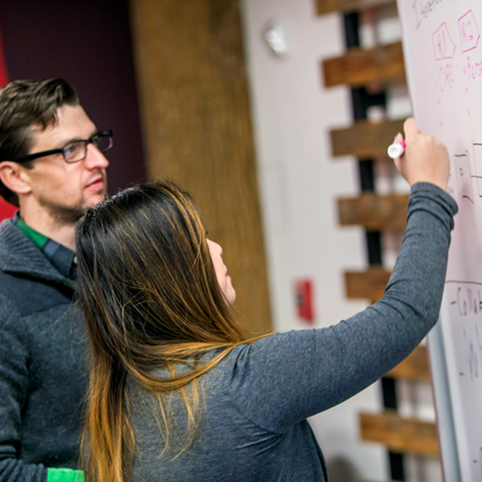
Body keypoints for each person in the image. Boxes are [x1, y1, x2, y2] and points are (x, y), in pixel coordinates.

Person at [76, 118, 456, 482]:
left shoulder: (111, 417)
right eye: (199, 240)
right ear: (170, 278)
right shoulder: (245, 382)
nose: (217, 248)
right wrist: (429, 188)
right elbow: (407, 312)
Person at [0, 79, 111, 482]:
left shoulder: (118, 262)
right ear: (16, 177)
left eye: (94, 141)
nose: (99, 159)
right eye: (71, 150)